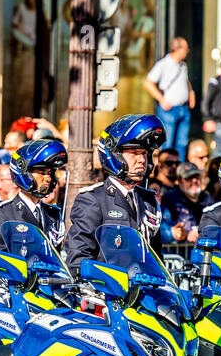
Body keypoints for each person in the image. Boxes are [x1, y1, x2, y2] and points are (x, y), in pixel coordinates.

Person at [65, 115, 164, 270]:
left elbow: (157, 260)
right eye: (134, 152)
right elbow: (79, 256)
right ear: (115, 154)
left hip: (143, 292)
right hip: (107, 291)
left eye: (144, 153)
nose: (142, 160)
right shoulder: (93, 199)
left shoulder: (149, 201)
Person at [0, 138, 67, 254]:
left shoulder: (53, 214)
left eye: (50, 173)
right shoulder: (1, 215)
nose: (48, 178)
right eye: (42, 173)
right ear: (25, 174)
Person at [143, 36, 194, 160]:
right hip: (169, 109)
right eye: (186, 48)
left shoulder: (183, 65)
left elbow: (186, 81)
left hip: (183, 108)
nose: (187, 51)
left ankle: (179, 171)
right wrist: (161, 99)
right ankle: (167, 169)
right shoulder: (163, 64)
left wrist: (191, 93)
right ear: (178, 49)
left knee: (182, 143)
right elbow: (148, 83)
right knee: (168, 143)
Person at [161, 163, 207, 244]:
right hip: (176, 252)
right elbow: (163, 227)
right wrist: (177, 233)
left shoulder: (207, 198)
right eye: (188, 178)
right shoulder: (170, 198)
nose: (194, 181)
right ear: (179, 181)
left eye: (196, 177)